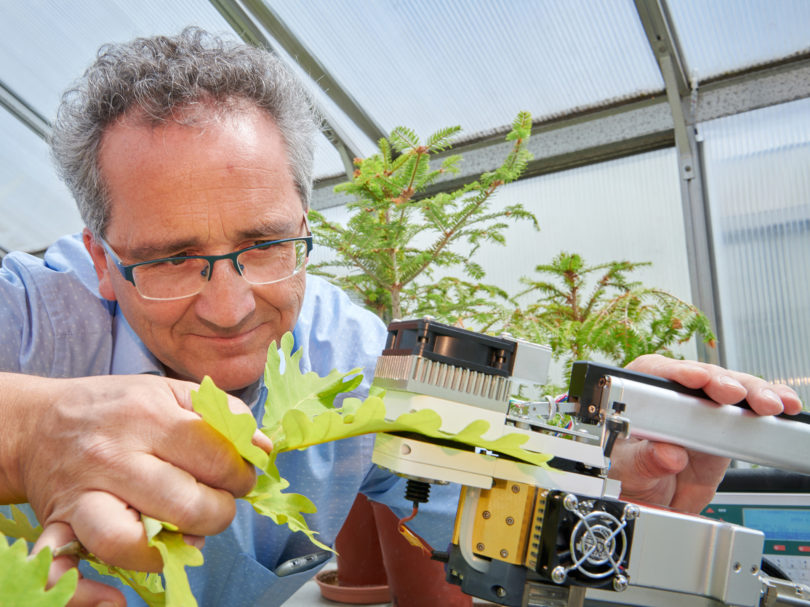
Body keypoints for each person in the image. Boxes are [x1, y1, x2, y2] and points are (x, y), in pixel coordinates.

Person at [0, 27, 802, 607]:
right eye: (172, 258)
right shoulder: (32, 318)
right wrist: (31, 430)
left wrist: (612, 475)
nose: (232, 304)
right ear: (102, 261)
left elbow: (488, 501)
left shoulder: (348, 349)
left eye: (267, 242)